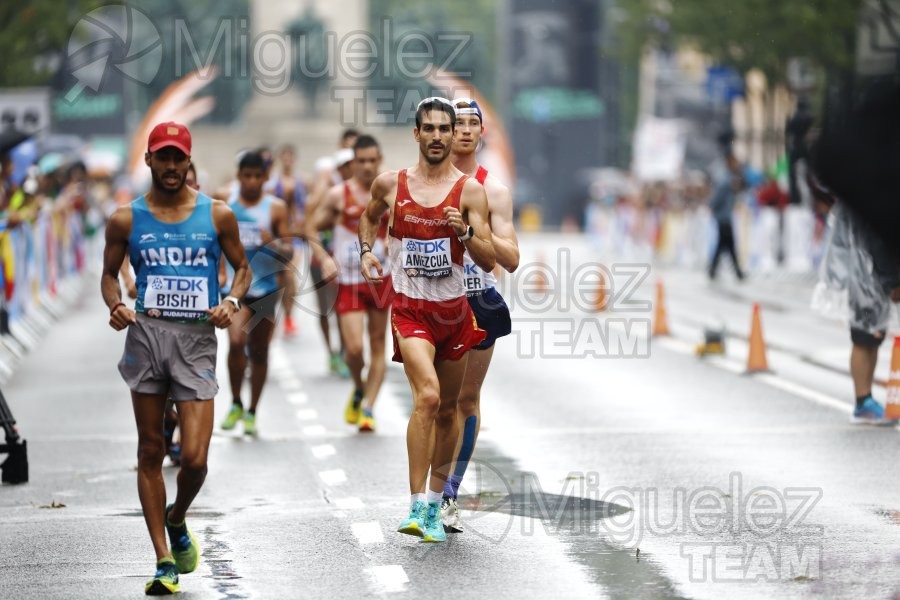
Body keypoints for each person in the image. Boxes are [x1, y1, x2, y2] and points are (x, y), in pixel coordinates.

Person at [101, 122, 250, 595]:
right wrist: (116, 304)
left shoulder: (217, 215)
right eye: (162, 157)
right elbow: (108, 275)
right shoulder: (126, 219)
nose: (170, 166)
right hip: (146, 338)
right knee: (149, 450)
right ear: (148, 160)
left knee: (195, 459)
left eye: (178, 158)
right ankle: (164, 559)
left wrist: (230, 302)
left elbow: (243, 269)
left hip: (196, 342)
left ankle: (178, 515)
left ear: (189, 161)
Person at [358, 97, 495, 543]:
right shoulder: (390, 184)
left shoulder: (470, 191)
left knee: (450, 410)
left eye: (444, 129)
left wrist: (467, 234)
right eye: (429, 129)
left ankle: (436, 504)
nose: (437, 136)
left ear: (453, 135)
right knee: (429, 397)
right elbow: (368, 217)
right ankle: (417, 503)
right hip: (411, 311)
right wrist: (365, 252)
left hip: (456, 313)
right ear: (416, 134)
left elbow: (491, 259)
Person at [441, 97, 519, 532]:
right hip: (433, 302)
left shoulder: (495, 191)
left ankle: (449, 490)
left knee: (465, 401)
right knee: (434, 402)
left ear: (481, 133)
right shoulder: (423, 185)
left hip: (478, 300)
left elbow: (511, 258)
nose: (465, 131)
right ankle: (425, 492)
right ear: (441, 132)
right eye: (457, 124)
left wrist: (475, 233)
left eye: (474, 123)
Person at [307, 135, 392, 432]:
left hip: (381, 280)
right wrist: (325, 257)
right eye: (361, 161)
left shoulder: (391, 194)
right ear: (351, 162)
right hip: (349, 280)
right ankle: (358, 386)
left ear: (379, 160)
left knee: (378, 345)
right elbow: (311, 230)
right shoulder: (338, 196)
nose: (367, 166)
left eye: (372, 160)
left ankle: (368, 407)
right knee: (355, 349)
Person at [810, 172, 900, 424]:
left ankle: (866, 398)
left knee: (873, 336)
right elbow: (877, 243)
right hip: (867, 279)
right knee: (865, 337)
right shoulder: (870, 196)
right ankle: (863, 401)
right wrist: (893, 280)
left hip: (867, 276)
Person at [219, 151, 292, 436]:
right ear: (239, 177)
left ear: (265, 178)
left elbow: (289, 250)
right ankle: (236, 401)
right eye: (246, 176)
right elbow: (214, 241)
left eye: (257, 176)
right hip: (235, 288)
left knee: (259, 352)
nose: (251, 181)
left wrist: (271, 242)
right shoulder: (226, 204)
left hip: (266, 288)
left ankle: (252, 411)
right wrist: (219, 272)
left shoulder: (275, 209)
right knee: (236, 342)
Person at [304, 145, 356, 377]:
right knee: (324, 309)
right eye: (344, 166)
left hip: (342, 261)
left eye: (350, 165)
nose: (349, 169)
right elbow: (308, 219)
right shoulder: (326, 191)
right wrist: (322, 185)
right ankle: (331, 352)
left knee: (342, 307)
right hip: (319, 258)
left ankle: (345, 351)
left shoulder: (354, 192)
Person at [269, 144, 308, 337]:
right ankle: (277, 314)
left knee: (289, 274)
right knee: (279, 279)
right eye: (284, 156)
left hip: (295, 237)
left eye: (290, 157)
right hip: (277, 236)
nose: (287, 160)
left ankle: (289, 317)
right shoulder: (272, 183)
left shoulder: (301, 182)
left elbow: (305, 207)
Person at [708, 143, 746, 281]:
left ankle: (714, 270)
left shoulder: (728, 176)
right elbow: (717, 197)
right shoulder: (725, 178)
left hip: (725, 216)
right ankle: (737, 272)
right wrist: (713, 207)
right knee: (729, 244)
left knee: (724, 244)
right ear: (729, 161)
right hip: (723, 217)